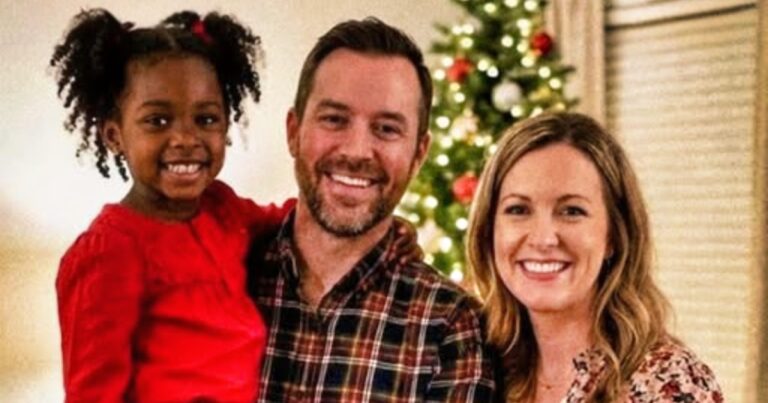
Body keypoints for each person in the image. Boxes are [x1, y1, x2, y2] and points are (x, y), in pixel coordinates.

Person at [248, 17, 496, 401]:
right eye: (334, 120)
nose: (356, 151)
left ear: (418, 154)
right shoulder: (224, 276)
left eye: (387, 128)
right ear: (293, 131)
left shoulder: (451, 329)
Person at [50, 9, 293, 401]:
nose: (186, 138)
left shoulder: (223, 208)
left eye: (206, 119)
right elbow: (92, 393)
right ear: (114, 135)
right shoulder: (108, 252)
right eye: (158, 121)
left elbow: (292, 220)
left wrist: (371, 219)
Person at [466, 112, 723, 402]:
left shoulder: (669, 381)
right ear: (489, 229)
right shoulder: (478, 366)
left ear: (614, 235)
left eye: (572, 211)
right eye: (518, 210)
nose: (543, 238)